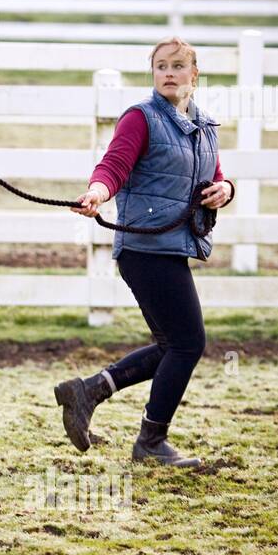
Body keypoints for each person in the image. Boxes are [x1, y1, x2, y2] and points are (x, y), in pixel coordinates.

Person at [54, 37, 235, 467]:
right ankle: (151, 442)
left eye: (177, 66)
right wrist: (97, 193)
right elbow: (113, 165)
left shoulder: (204, 126)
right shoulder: (141, 118)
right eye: (160, 66)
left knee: (172, 343)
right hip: (145, 246)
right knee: (189, 343)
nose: (168, 73)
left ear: (195, 74)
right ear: (153, 73)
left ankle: (89, 391)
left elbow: (217, 175)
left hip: (171, 246)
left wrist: (224, 191)